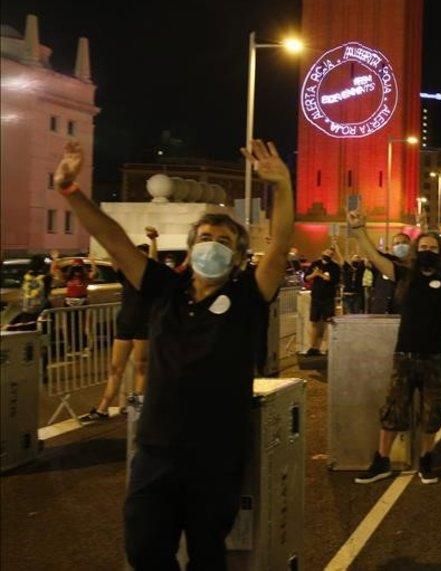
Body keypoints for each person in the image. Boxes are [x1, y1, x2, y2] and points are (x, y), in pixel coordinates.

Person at [54, 139, 292, 568]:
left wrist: (284, 188)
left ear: (237, 256)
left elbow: (279, 246)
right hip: (156, 449)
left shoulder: (248, 296)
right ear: (190, 246)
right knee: (143, 548)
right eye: (205, 237)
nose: (212, 246)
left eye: (223, 240)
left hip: (216, 455)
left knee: (207, 553)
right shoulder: (163, 287)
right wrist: (70, 191)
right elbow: (111, 235)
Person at [351, 212, 441, 485]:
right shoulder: (405, 273)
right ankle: (382, 460)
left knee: (432, 412)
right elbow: (377, 258)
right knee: (394, 409)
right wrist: (359, 231)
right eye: (423, 247)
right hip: (405, 352)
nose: (427, 251)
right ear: (416, 250)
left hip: (436, 354)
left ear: (440, 252)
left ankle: (426, 458)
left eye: (432, 247)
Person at [79, 227, 159, 424]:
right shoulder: (125, 277)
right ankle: (102, 409)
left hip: (143, 326)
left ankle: (137, 409)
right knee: (115, 368)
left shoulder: (151, 281)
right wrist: (110, 240)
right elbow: (116, 257)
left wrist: (153, 242)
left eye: (140, 259)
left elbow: (153, 262)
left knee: (141, 367)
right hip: (125, 325)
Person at [304, 247, 340, 355]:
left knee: (328, 322)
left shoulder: (334, 267)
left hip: (328, 298)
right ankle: (313, 347)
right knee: (314, 322)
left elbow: (334, 280)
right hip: (316, 297)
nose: (328, 255)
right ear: (322, 252)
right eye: (327, 252)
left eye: (331, 254)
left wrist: (320, 274)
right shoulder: (315, 264)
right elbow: (306, 278)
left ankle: (328, 347)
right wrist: (314, 274)